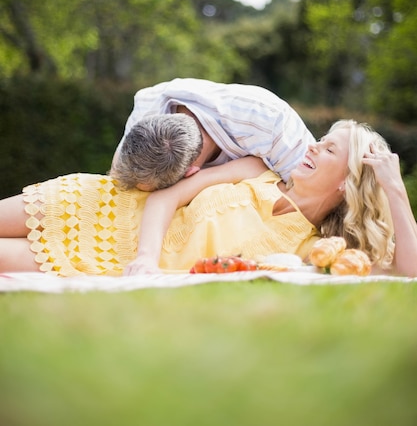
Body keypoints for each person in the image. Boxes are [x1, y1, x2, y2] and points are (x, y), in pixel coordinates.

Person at [0, 120, 416, 277]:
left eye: (328, 150)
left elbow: (408, 271)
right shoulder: (258, 169)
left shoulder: (313, 249)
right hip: (107, 206)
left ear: (347, 182)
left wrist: (394, 188)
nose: (312, 147)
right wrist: (145, 257)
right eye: (319, 141)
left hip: (109, 259)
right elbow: (167, 197)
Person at [111, 78, 315, 189]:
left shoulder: (270, 123)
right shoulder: (148, 105)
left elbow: (312, 191)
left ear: (190, 172)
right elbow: (117, 173)